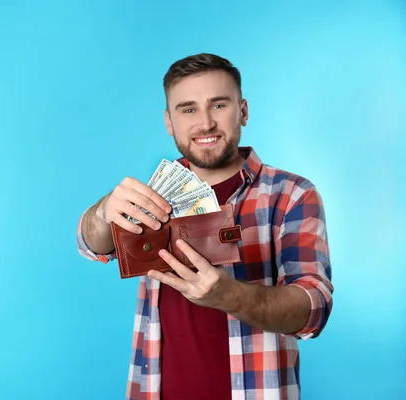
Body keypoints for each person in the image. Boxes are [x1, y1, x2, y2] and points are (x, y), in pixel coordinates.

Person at [76, 53, 334, 400]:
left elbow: (313, 307)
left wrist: (227, 295)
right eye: (188, 109)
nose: (205, 123)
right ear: (169, 121)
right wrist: (105, 210)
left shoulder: (291, 195)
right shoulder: (150, 193)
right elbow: (90, 245)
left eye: (218, 105)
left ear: (243, 111)